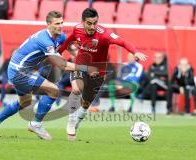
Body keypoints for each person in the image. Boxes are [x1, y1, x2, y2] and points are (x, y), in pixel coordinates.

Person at [0, 11, 98, 140]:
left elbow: (74, 51)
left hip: (20, 70)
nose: (60, 26)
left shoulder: (60, 36)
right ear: (48, 24)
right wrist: (87, 69)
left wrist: (89, 58)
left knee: (24, 102)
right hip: (19, 72)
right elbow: (62, 65)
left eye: (61, 23)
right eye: (56, 24)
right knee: (53, 90)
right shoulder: (44, 40)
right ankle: (36, 124)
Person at [58, 8, 147, 140]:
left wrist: (135, 52)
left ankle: (77, 123)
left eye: (95, 23)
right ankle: (71, 122)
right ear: (82, 22)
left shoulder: (104, 35)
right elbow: (67, 41)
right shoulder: (77, 29)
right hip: (81, 67)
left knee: (86, 103)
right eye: (89, 23)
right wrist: (57, 53)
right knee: (76, 89)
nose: (92, 26)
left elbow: (122, 42)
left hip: (98, 72)